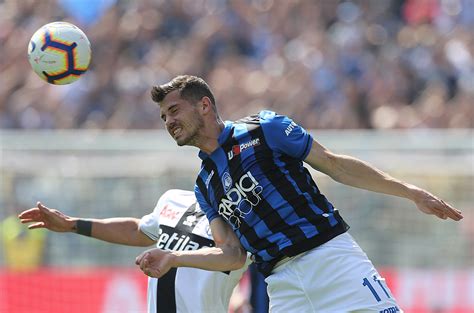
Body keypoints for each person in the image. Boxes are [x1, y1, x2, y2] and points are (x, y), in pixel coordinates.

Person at [136, 75, 464, 312]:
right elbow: (233, 255)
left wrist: (409, 192)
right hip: (281, 284)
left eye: (175, 110)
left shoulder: (264, 129)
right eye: (164, 116)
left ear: (204, 105)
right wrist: (174, 258)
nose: (169, 121)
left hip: (330, 258)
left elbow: (336, 165)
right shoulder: (205, 184)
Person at [18, 189, 249, 313]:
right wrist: (73, 224)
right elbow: (137, 230)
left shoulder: (250, 221)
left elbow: (242, 262)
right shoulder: (175, 199)